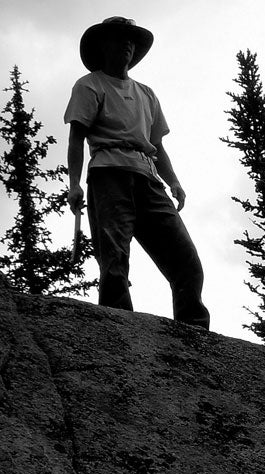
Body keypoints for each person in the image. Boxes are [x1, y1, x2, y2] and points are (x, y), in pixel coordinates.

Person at [64, 16, 210, 328]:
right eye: (120, 38)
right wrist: (73, 183)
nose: (128, 44)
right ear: (104, 46)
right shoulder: (90, 85)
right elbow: (76, 137)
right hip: (109, 174)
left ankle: (196, 333)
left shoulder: (146, 94)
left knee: (187, 262)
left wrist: (174, 181)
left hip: (148, 179)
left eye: (131, 40)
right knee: (114, 261)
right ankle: (120, 330)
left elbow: (156, 144)